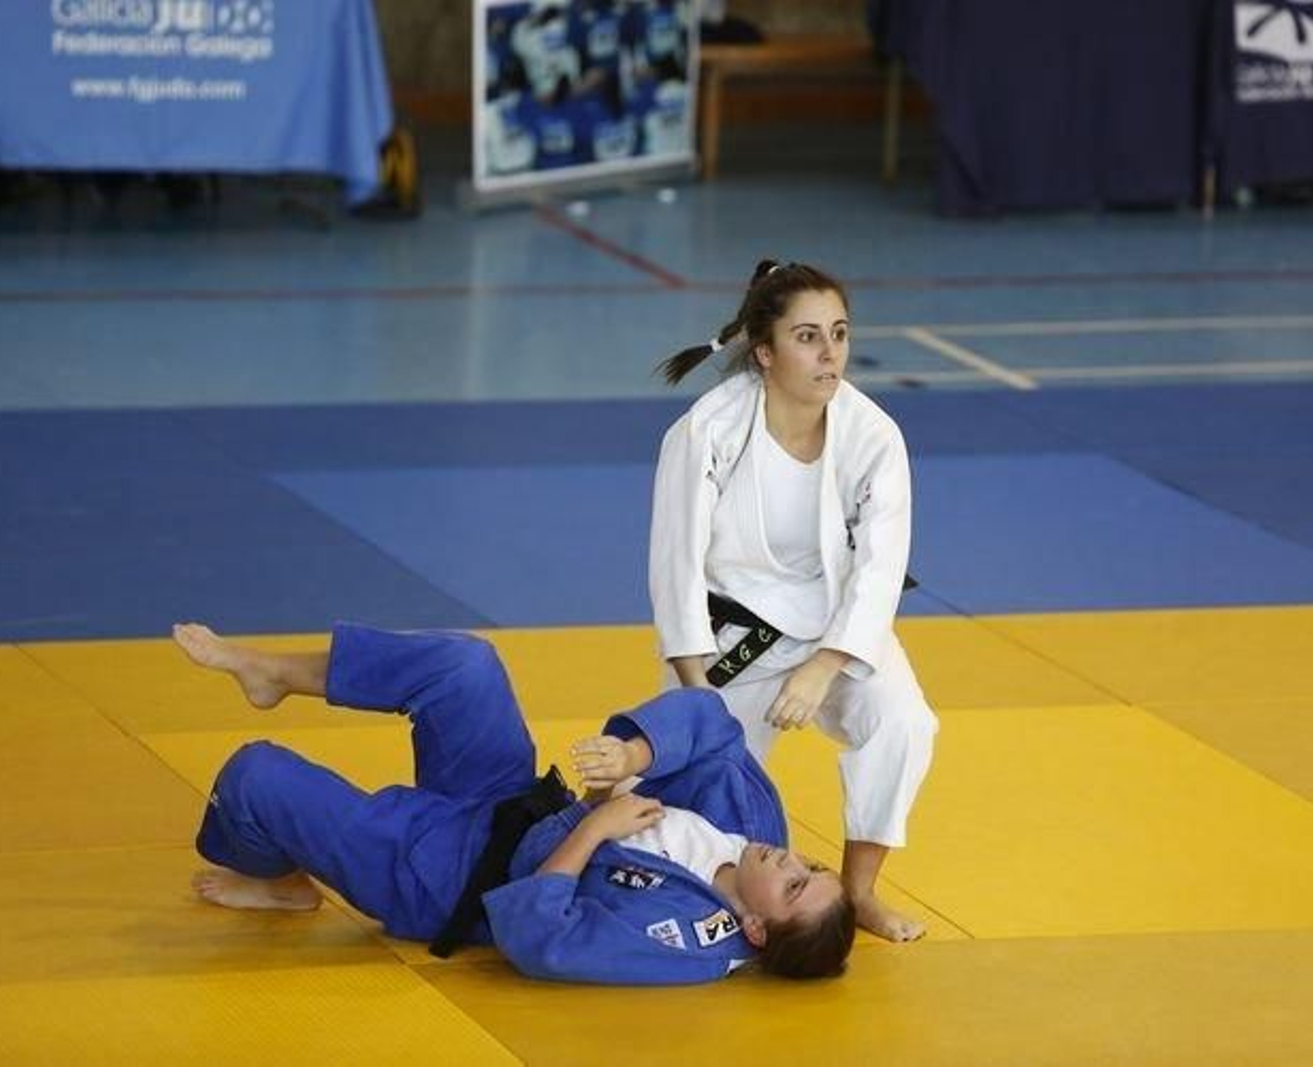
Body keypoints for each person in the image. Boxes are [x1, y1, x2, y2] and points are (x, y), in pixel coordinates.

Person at [174, 620, 854, 985]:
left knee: (255, 775)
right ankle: (274, 673)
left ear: (755, 928)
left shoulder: (680, 941)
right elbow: (711, 725)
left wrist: (596, 826)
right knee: (464, 665)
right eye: (813, 866)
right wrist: (632, 758)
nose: (792, 860)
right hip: (514, 803)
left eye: (795, 885)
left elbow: (540, 941)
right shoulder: (752, 828)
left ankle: (281, 879)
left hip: (446, 875)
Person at [649, 260, 938, 942]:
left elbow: (880, 568)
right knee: (694, 799)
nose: (830, 352)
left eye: (839, 332)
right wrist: (697, 699)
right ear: (765, 351)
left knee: (904, 724)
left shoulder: (873, 435)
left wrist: (825, 665)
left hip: (837, 629)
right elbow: (674, 565)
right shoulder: (707, 431)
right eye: (807, 337)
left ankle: (860, 891)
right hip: (731, 639)